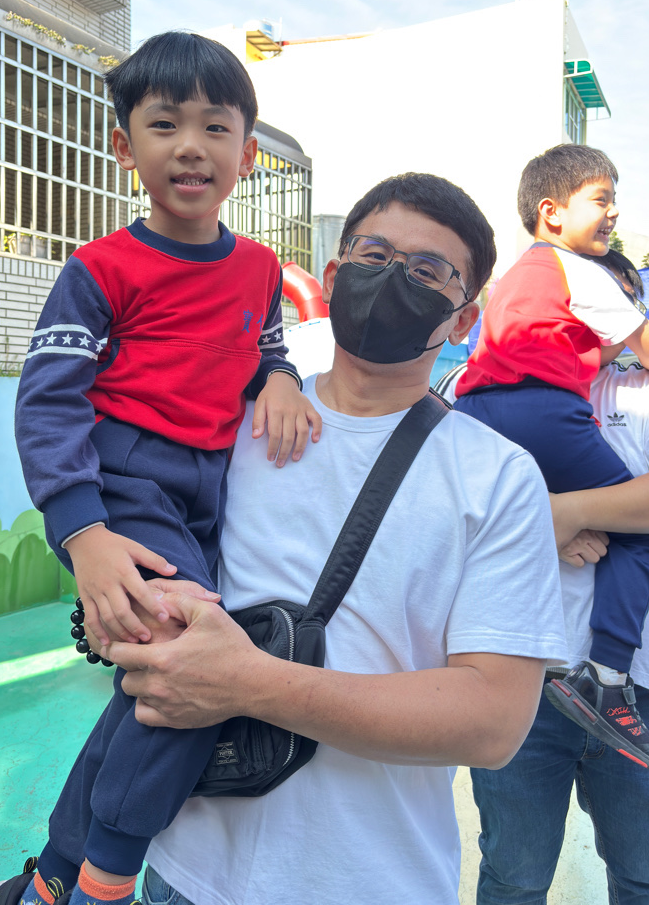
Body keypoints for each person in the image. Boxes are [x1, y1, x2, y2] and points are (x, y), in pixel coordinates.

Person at [98, 172, 567, 905]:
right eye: (373, 254)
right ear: (334, 274)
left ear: (464, 319)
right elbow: (139, 537)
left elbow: (493, 722)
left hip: (371, 882)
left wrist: (249, 682)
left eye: (428, 270)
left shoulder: (497, 477)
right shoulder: (230, 422)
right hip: (184, 871)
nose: (392, 277)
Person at [0, 33, 321, 905]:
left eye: (215, 126)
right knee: (196, 660)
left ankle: (52, 879)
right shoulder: (100, 269)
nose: (191, 146)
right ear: (125, 148)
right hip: (125, 483)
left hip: (212, 494)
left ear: (248, 153)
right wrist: (83, 532)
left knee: (155, 682)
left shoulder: (259, 269)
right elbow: (48, 402)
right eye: (165, 125)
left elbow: (264, 351)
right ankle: (104, 880)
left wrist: (280, 378)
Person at [440, 250, 649, 904]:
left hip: (640, 691)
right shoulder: (476, 392)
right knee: (513, 878)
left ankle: (606, 676)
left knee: (647, 875)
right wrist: (536, 525)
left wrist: (562, 513)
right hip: (517, 677)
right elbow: (442, 512)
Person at [454, 144, 649, 769]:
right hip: (543, 410)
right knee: (636, 530)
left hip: (479, 411)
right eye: (602, 200)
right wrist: (639, 342)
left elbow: (567, 351)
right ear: (552, 211)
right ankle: (607, 676)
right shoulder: (578, 270)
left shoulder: (516, 276)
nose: (614, 213)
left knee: (519, 514)